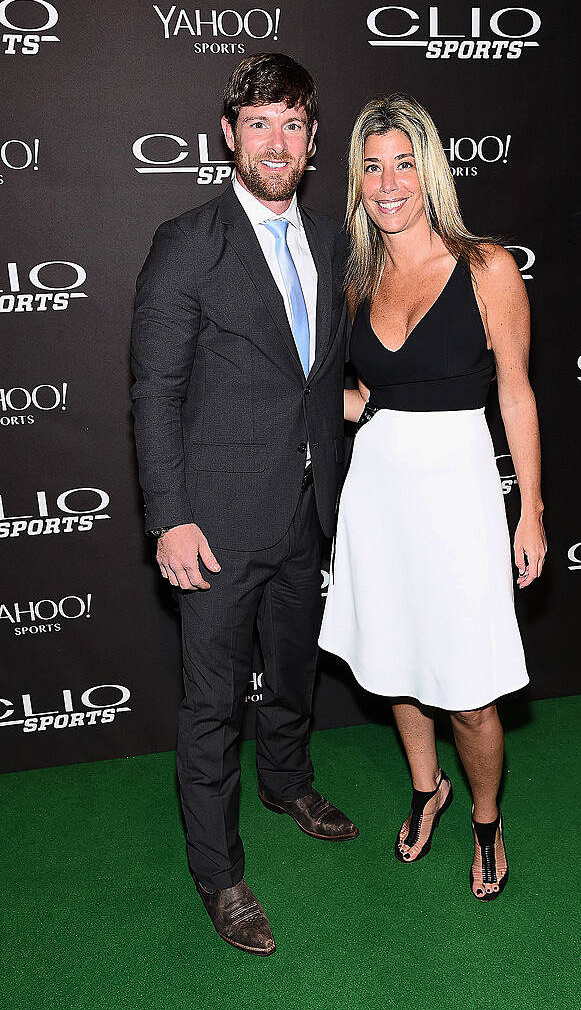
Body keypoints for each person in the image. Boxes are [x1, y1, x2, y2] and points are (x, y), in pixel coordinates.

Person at [131, 53, 358, 956]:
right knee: (212, 707)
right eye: (257, 122)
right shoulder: (189, 240)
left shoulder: (333, 238)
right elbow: (154, 389)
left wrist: (347, 404)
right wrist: (169, 515)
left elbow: (310, 367)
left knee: (294, 670)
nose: (276, 140)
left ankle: (288, 780)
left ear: (311, 140)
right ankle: (218, 873)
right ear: (229, 135)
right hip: (216, 522)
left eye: (292, 123)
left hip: (309, 509)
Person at [319, 94, 545, 901]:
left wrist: (533, 511)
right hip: (375, 487)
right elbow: (343, 388)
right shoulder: (355, 274)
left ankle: (485, 817)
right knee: (394, 666)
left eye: (402, 164)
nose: (386, 184)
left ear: (430, 172)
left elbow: (515, 393)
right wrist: (351, 408)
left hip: (457, 490)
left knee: (471, 694)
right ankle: (427, 789)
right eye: (371, 167)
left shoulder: (486, 266)